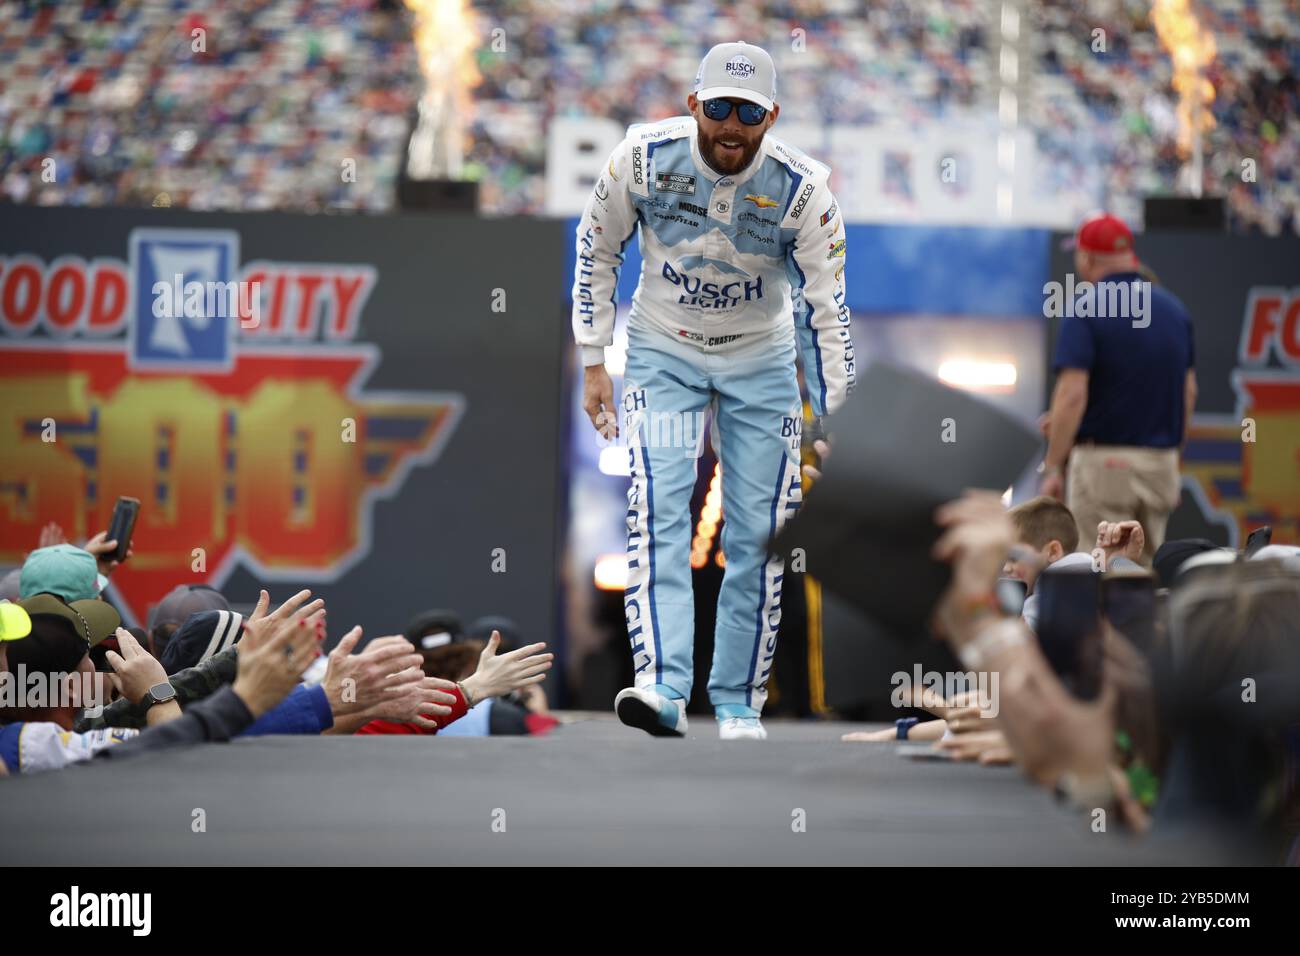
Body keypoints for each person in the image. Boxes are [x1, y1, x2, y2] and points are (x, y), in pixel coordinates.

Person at [572, 41, 855, 740]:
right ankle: (663, 687)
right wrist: (592, 360)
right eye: (720, 107)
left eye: (749, 112)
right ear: (693, 103)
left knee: (756, 535)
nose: (732, 125)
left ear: (771, 115)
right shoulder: (639, 159)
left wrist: (836, 417)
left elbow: (828, 311)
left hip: (762, 363)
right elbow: (595, 247)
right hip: (664, 354)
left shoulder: (806, 192)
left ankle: (736, 702)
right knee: (660, 512)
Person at [1039, 212, 1196, 564]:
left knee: (1095, 569)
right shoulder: (1174, 311)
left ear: (1087, 258)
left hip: (1103, 466)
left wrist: (1053, 466)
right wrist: (1172, 459)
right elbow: (1188, 393)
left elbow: (1072, 396)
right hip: (1160, 465)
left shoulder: (1086, 307)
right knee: (1144, 574)